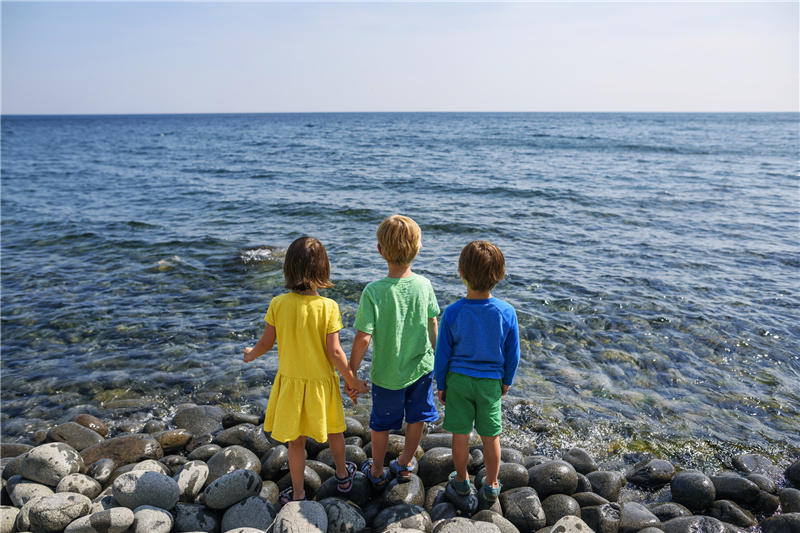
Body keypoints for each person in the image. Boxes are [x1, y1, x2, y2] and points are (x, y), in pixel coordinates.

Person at [244, 236, 369, 504]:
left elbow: (266, 343)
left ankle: (299, 493)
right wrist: (353, 380)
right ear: (324, 269)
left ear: (288, 268)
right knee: (335, 430)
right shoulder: (328, 307)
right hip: (322, 383)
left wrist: (250, 355)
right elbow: (335, 352)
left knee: (296, 443)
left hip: (290, 384)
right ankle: (343, 474)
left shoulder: (278, 304)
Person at [346, 215, 440, 489]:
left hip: (387, 374)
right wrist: (441, 359)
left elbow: (363, 338)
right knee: (417, 418)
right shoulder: (424, 285)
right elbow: (433, 324)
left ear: (379, 250)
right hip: (422, 368)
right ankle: (405, 463)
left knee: (381, 424)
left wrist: (351, 373)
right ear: (418, 248)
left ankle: (376, 471)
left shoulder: (373, 291)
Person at [434, 240, 520, 502]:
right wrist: (507, 381)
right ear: (500, 275)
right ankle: (492, 484)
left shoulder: (452, 312)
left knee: (460, 435)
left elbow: (442, 354)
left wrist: (442, 384)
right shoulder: (506, 312)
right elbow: (512, 353)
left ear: (461, 273)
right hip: (490, 382)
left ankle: (461, 480)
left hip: (458, 380)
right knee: (490, 435)